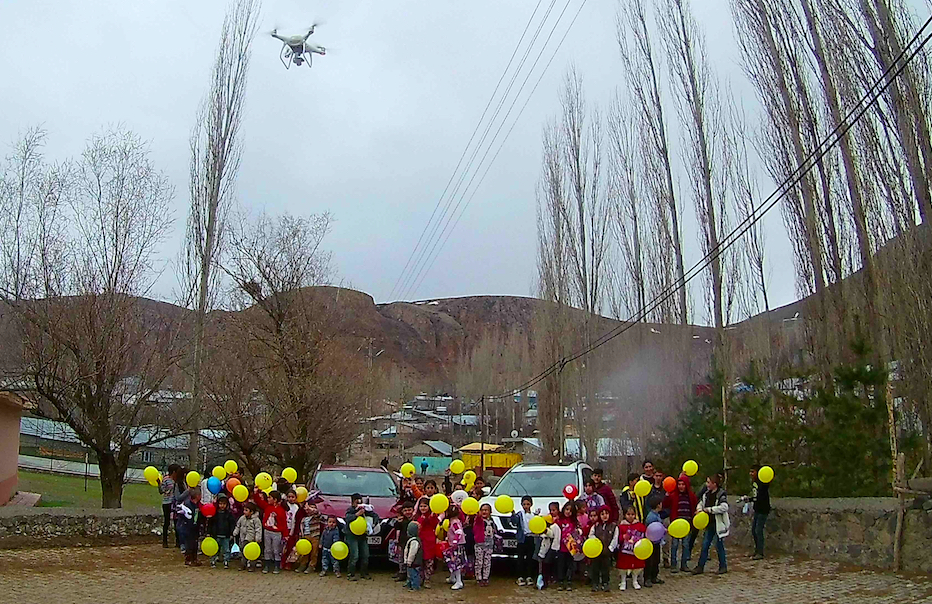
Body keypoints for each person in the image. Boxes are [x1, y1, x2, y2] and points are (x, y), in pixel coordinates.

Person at [693, 473, 729, 575]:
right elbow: (701, 503)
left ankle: (723, 566)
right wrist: (700, 510)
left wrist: (710, 510)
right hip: (709, 524)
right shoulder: (706, 494)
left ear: (715, 484)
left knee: (719, 545)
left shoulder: (721, 494)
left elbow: (724, 507)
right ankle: (700, 567)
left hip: (718, 524)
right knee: (705, 545)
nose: (707, 484)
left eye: (709, 482)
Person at [664, 473, 698, 572]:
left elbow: (695, 506)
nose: (681, 486)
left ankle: (684, 564)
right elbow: (665, 504)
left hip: (687, 524)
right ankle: (674, 565)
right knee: (674, 544)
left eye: (683, 484)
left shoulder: (691, 496)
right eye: (679, 484)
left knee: (685, 544)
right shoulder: (673, 495)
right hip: (676, 523)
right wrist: (666, 494)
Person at [345, 492, 379, 580]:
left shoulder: (365, 509)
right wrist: (357, 514)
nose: (359, 504)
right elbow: (347, 518)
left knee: (365, 555)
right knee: (354, 555)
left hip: (362, 536)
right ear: (352, 502)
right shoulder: (350, 510)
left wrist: (373, 524)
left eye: (360, 502)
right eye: (357, 502)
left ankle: (364, 573)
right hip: (352, 536)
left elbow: (375, 516)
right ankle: (350, 574)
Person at [253, 488, 287, 574]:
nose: (267, 499)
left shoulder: (281, 510)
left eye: (269, 497)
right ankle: (267, 565)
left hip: (277, 533)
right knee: (267, 549)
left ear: (275, 499)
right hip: (267, 531)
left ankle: (276, 565)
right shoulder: (267, 507)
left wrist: (285, 534)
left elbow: (284, 523)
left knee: (276, 549)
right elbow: (258, 501)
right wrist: (256, 492)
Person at [588, 506, 619, 592]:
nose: (604, 516)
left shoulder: (613, 527)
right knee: (595, 568)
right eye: (602, 514)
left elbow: (615, 538)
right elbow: (591, 535)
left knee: (606, 568)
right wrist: (595, 542)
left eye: (606, 514)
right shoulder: (596, 526)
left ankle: (605, 583)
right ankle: (595, 583)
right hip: (596, 552)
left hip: (606, 552)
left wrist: (610, 548)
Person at [744, 465, 771, 560]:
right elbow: (756, 496)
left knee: (758, 530)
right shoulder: (754, 483)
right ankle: (756, 550)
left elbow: (761, 495)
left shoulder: (763, 483)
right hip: (757, 509)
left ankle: (760, 552)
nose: (751, 474)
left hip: (763, 509)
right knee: (754, 530)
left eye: (753, 471)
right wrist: (749, 499)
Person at [616, 506, 646, 591]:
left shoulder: (640, 525)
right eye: (628, 514)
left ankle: (635, 580)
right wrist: (622, 537)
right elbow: (617, 537)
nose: (630, 516)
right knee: (623, 566)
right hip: (624, 551)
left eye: (632, 514)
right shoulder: (621, 526)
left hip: (635, 550)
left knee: (636, 565)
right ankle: (623, 581)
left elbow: (643, 534)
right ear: (625, 515)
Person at [414, 497, 440, 588]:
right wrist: (422, 518)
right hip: (420, 541)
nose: (423, 508)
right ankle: (420, 579)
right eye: (421, 506)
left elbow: (435, 524)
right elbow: (417, 526)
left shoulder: (433, 516)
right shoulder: (417, 517)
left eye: (425, 506)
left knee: (429, 562)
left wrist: (431, 517)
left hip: (430, 542)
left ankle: (427, 580)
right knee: (420, 561)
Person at [556, 500, 581, 591]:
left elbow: (578, 532)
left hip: (571, 549)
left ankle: (569, 580)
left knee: (570, 565)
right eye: (566, 509)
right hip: (561, 547)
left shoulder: (574, 522)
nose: (568, 512)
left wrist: (578, 532)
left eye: (570, 511)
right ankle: (561, 581)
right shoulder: (559, 521)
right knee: (561, 565)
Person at [293, 500, 323, 574]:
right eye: (308, 508)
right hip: (305, 537)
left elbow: (318, 514)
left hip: (314, 536)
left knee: (314, 553)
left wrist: (311, 509)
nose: (309, 510)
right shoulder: (304, 519)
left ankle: (312, 566)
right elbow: (301, 528)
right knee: (304, 552)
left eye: (312, 508)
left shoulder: (316, 518)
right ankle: (303, 565)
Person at [512, 495, 536, 586]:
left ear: (531, 504)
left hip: (531, 538)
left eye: (528, 504)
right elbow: (514, 522)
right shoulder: (519, 514)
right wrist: (513, 514)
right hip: (522, 539)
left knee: (530, 558)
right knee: (520, 558)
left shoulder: (534, 515)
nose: (526, 506)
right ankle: (520, 576)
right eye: (524, 504)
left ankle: (529, 576)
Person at [390, 500, 416, 582]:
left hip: (412, 543)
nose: (407, 512)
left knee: (411, 559)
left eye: (409, 510)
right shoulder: (401, 520)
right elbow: (397, 528)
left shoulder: (415, 519)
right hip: (402, 542)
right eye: (405, 510)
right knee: (401, 559)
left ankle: (410, 575)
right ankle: (402, 573)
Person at [208, 494, 236, 569]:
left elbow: (232, 524)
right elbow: (210, 524)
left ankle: (226, 561)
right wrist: (209, 532)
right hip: (216, 534)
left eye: (224, 504)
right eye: (220, 504)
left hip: (226, 535)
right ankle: (213, 560)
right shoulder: (214, 514)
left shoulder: (229, 514)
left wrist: (231, 533)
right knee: (214, 549)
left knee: (226, 549)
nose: (222, 505)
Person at [443, 505, 467, 590]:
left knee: (456, 563)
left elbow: (458, 532)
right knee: (453, 562)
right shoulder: (454, 521)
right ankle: (452, 577)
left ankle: (459, 581)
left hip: (456, 546)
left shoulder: (454, 522)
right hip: (454, 545)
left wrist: (455, 541)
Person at [233, 502, 262, 571]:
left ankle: (252, 566)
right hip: (243, 538)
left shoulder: (256, 520)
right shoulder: (242, 518)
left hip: (251, 539)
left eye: (246, 510)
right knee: (243, 551)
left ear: (251, 512)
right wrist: (235, 532)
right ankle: (243, 564)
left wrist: (258, 538)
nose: (244, 512)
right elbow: (238, 525)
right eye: (244, 510)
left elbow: (258, 529)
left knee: (251, 553)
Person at [643, 496, 665, 587]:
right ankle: (647, 578)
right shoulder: (651, 517)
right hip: (651, 542)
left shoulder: (657, 515)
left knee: (656, 560)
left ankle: (654, 576)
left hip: (657, 541)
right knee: (650, 561)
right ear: (658, 505)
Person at [179, 486, 202, 567]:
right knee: (189, 544)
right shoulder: (188, 504)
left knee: (195, 544)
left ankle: (194, 558)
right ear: (197, 496)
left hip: (194, 527)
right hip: (188, 528)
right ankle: (188, 559)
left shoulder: (197, 505)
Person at [473, 503, 495, 587]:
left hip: (489, 545)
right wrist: (478, 515)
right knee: (479, 562)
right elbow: (478, 520)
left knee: (487, 562)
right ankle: (478, 578)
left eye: (486, 510)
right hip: (480, 544)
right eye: (482, 510)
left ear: (490, 512)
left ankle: (485, 577)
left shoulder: (492, 521)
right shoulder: (479, 521)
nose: (484, 512)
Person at [537, 511, 561, 589]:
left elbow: (551, 535)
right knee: (543, 567)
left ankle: (545, 582)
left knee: (546, 567)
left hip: (550, 550)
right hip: (544, 550)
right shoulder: (550, 528)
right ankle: (542, 581)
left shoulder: (553, 527)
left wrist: (545, 530)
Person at [280, 489, 301, 569]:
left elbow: (295, 520)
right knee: (282, 548)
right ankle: (282, 562)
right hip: (284, 528)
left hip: (292, 529)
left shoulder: (296, 507)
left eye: (293, 497)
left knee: (290, 548)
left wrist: (293, 532)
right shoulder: (284, 506)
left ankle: (289, 563)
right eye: (289, 497)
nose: (291, 499)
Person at [160, 464, 178, 548]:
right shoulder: (166, 479)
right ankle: (164, 541)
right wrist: (158, 484)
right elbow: (161, 491)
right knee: (167, 522)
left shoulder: (178, 480)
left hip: (175, 503)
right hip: (167, 502)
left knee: (176, 521)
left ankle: (177, 541)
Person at [403, 521, 423, 590]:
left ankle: (415, 586)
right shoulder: (412, 540)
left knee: (414, 574)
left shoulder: (414, 541)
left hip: (414, 562)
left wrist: (409, 561)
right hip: (412, 562)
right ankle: (410, 584)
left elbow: (412, 553)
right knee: (410, 574)